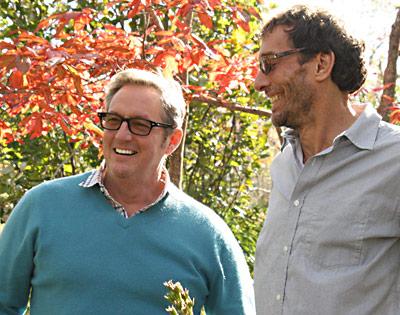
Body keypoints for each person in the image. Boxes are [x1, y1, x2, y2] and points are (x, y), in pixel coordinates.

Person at [0, 68, 255, 315]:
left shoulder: (207, 234)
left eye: (140, 125)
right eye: (113, 121)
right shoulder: (43, 207)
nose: (122, 135)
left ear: (172, 141)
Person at [253, 5, 400, 315]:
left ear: (321, 64)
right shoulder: (285, 165)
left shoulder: (393, 161)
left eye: (270, 63)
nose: (258, 82)